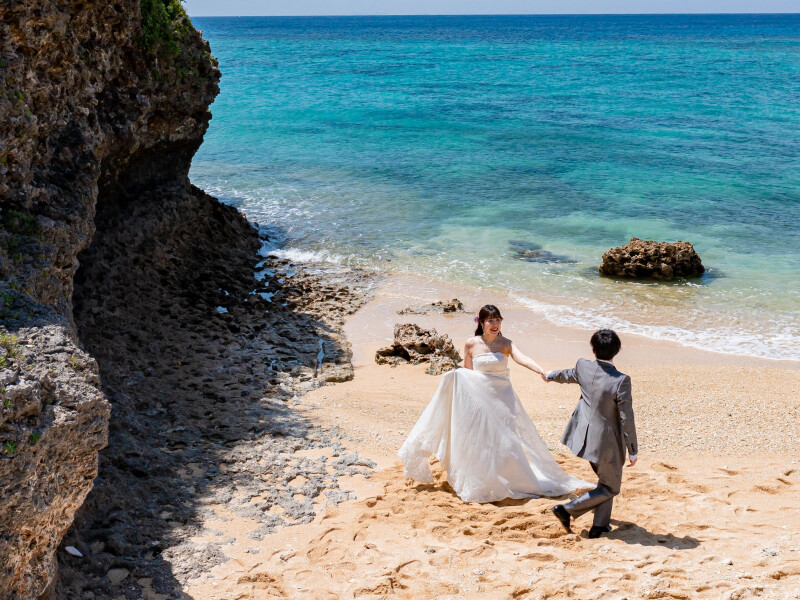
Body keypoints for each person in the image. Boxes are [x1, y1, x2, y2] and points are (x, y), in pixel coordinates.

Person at [398, 304, 590, 503]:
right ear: (481, 323)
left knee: (506, 440)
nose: (495, 324)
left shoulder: (506, 343)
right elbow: (468, 374)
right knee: (482, 441)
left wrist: (541, 370)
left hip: (502, 397)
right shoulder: (471, 344)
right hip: (480, 398)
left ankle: (509, 478)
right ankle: (484, 481)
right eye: (491, 320)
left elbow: (521, 358)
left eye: (498, 320)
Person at [547, 329, 638, 539]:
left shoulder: (583, 366)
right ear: (617, 350)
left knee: (605, 482)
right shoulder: (621, 380)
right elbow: (627, 418)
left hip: (584, 440)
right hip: (607, 446)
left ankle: (600, 526)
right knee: (611, 487)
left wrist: (550, 375)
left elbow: (568, 374)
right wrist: (633, 450)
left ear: (593, 349)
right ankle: (567, 510)